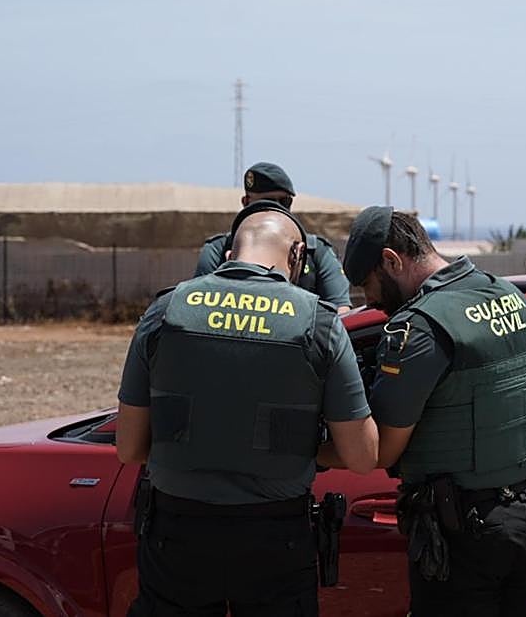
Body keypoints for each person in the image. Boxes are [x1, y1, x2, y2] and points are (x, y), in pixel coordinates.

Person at [117, 200, 378, 617]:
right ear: (296, 255)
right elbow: (362, 457)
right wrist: (297, 446)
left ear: (228, 253)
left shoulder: (165, 311)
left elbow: (129, 447)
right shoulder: (319, 323)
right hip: (274, 541)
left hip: (177, 536)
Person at [333, 206, 526, 617]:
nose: (371, 301)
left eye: (368, 285)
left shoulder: (420, 328)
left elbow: (381, 451)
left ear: (391, 261)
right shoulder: (506, 295)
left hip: (464, 532)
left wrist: (315, 450)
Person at [195, 161, 351, 312]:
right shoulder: (219, 249)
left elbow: (340, 311)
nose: (277, 208)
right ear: (246, 202)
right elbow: (199, 306)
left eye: (285, 201)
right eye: (268, 201)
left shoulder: (315, 251)